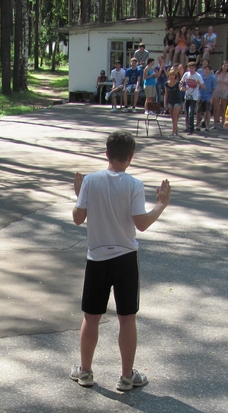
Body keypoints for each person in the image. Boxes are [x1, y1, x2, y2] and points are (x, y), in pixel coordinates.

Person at [69, 130, 171, 391]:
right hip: (125, 258)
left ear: (107, 153)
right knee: (127, 318)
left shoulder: (91, 181)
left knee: (91, 317)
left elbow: (78, 218)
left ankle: (85, 372)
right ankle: (126, 377)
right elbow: (142, 223)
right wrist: (161, 205)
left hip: (97, 258)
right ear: (131, 156)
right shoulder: (134, 184)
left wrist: (80, 196)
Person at [180, 61, 204, 135]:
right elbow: (181, 82)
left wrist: (198, 83)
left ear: (195, 68)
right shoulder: (186, 74)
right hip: (187, 95)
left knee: (191, 112)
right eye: (190, 68)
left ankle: (191, 129)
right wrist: (182, 87)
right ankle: (188, 127)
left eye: (193, 68)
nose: (191, 69)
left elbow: (203, 86)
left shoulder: (198, 76)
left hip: (194, 96)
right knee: (187, 113)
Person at [213, 61, 228, 128]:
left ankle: (223, 123)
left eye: (226, 66)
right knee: (216, 108)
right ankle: (215, 124)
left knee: (223, 109)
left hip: (224, 92)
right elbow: (214, 83)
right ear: (222, 66)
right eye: (224, 65)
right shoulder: (217, 73)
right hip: (217, 91)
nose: (225, 67)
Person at [164, 69, 182, 138]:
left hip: (177, 101)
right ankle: (176, 129)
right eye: (170, 75)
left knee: (175, 116)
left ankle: (172, 133)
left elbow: (181, 89)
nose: (171, 76)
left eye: (173, 75)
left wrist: (183, 88)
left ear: (175, 76)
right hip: (170, 101)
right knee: (173, 117)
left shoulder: (178, 83)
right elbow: (166, 94)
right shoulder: (166, 84)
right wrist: (165, 103)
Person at [197, 64, 215, 131]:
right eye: (205, 69)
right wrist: (198, 96)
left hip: (208, 96)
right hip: (201, 96)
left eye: (208, 69)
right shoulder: (200, 77)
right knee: (198, 111)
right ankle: (198, 125)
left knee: (208, 111)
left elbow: (214, 89)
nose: (206, 70)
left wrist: (212, 98)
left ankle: (207, 126)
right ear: (203, 70)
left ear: (210, 71)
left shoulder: (212, 78)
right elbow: (198, 87)